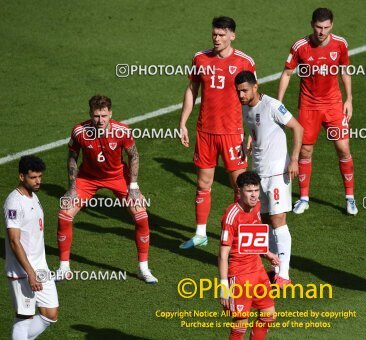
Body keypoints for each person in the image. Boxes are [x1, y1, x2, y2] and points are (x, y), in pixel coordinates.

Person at [57, 95, 157, 283]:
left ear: (110, 113)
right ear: (90, 114)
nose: (100, 120)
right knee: (64, 214)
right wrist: (72, 187)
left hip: (118, 177)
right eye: (96, 116)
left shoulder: (122, 131)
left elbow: (133, 156)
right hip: (88, 178)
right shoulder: (79, 131)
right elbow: (72, 157)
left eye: (104, 115)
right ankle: (64, 268)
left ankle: (143, 268)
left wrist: (133, 186)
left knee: (142, 216)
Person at [179, 16, 257, 249]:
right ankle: (201, 234)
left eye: (222, 35)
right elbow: (192, 89)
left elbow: (253, 96)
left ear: (232, 36)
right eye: (214, 34)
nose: (217, 38)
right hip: (205, 132)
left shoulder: (244, 61)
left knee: (240, 186)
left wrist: (251, 131)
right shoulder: (200, 58)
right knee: (203, 184)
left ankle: (241, 234)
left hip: (232, 133)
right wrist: (183, 122)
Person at [277, 7, 358, 215]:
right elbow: (287, 74)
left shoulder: (340, 44)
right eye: (319, 27)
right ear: (312, 24)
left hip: (333, 105)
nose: (322, 32)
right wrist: (278, 103)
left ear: (332, 25)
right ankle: (304, 198)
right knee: (305, 151)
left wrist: (349, 99)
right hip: (309, 106)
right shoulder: (300, 46)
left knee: (343, 148)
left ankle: (350, 197)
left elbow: (345, 70)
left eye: (326, 27)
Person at [235, 70, 303, 287]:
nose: (241, 95)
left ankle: (285, 273)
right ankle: (275, 268)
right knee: (264, 221)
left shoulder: (272, 105)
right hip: (259, 173)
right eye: (238, 91)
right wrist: (247, 145)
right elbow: (254, 130)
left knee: (278, 221)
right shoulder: (246, 108)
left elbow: (297, 128)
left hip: (277, 172)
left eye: (245, 90)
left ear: (256, 86)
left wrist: (293, 159)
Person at [219, 171, 279, 340]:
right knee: (240, 324)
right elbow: (223, 254)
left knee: (269, 315)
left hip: (258, 270)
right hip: (239, 275)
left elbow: (253, 237)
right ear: (239, 191)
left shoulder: (257, 206)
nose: (254, 195)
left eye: (256, 190)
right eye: (249, 191)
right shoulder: (231, 216)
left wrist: (266, 253)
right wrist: (224, 287)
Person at [4, 155, 59, 339]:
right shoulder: (14, 202)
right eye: (33, 177)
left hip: (40, 266)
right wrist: (30, 273)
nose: (38, 181)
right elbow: (13, 241)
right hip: (23, 271)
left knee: (50, 314)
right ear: (21, 177)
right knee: (24, 316)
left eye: (40, 177)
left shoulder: (33, 196)